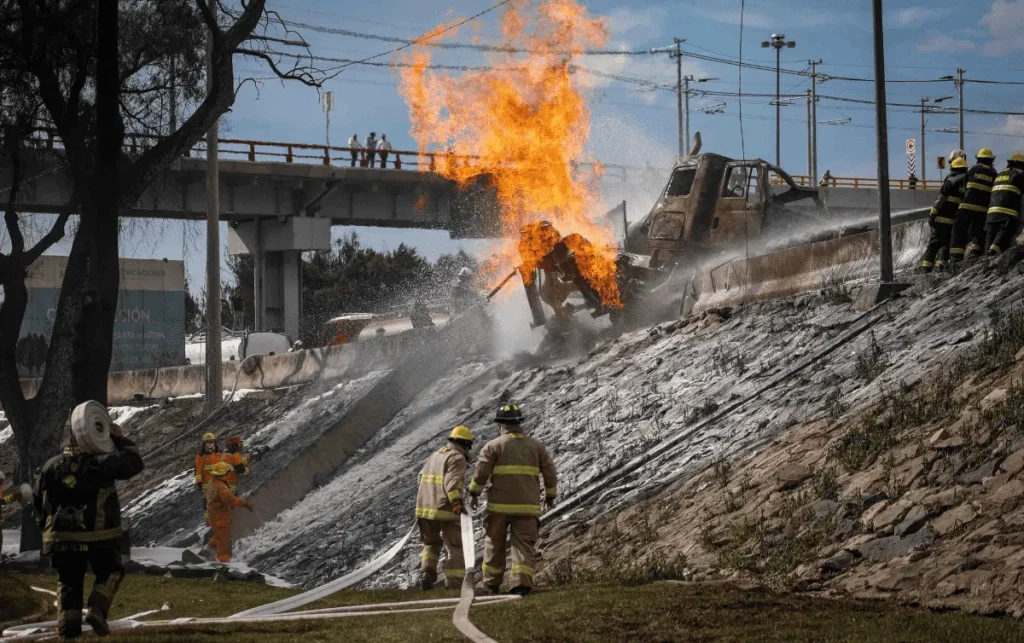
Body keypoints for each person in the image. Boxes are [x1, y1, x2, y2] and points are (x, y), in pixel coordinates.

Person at [34, 401, 144, 638]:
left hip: (60, 537)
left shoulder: (50, 467)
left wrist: (44, 527)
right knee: (112, 570)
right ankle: (97, 609)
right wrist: (119, 439)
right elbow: (134, 463)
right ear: (93, 434)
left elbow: (38, 502)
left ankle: (68, 629)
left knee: (68, 582)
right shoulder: (102, 465)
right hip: (99, 535)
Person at [468, 403, 557, 596]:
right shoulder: (536, 446)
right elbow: (550, 472)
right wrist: (550, 496)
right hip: (527, 506)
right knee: (523, 544)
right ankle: (521, 584)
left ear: (500, 424)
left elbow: (481, 474)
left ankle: (491, 585)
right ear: (519, 423)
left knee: (494, 543)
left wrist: (474, 493)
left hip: (499, 507)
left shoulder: (493, 446)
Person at [415, 425, 474, 590]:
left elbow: (420, 478)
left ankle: (427, 571)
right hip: (446, 508)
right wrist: (456, 502)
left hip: (425, 508)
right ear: (465, 444)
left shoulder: (435, 456)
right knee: (454, 545)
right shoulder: (457, 458)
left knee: (430, 544)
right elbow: (452, 484)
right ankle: (454, 585)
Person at [950, 147, 998, 262]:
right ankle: (975, 252)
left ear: (979, 159)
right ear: (991, 160)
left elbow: (964, 186)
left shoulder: (972, 169)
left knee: (959, 231)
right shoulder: (994, 173)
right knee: (978, 231)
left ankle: (956, 258)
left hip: (966, 207)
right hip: (982, 210)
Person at [920, 157, 968, 272]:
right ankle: (941, 266)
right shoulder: (966, 183)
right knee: (946, 244)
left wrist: (932, 214)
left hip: (941, 219)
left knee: (934, 243)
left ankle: (926, 268)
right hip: (953, 220)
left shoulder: (950, 182)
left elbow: (940, 200)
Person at [205, 461, 253, 563]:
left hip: (213, 516)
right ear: (224, 473)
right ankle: (224, 564)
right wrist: (245, 504)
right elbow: (231, 500)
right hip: (220, 517)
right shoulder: (221, 487)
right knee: (224, 541)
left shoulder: (211, 482)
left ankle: (208, 551)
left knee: (218, 536)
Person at [985, 152, 1024, 255]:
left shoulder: (1000, 173)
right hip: (1007, 211)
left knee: (990, 236)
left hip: (991, 213)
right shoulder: (1020, 174)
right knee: (1004, 235)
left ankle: (986, 257)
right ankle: (993, 252)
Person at [194, 432, 221, 518]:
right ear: (204, 443)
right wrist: (199, 483)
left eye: (211, 441)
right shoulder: (201, 456)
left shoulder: (219, 453)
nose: (210, 444)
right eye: (208, 442)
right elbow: (197, 470)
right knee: (208, 500)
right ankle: (208, 518)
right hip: (207, 483)